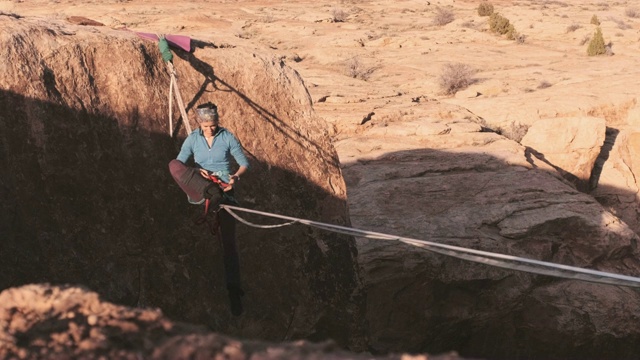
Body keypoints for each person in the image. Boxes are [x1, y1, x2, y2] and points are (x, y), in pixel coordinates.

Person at [168, 102, 249, 316]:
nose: (210, 129)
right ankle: (210, 193)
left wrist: (235, 177)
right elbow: (179, 163)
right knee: (172, 166)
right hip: (201, 187)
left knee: (229, 243)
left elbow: (243, 163)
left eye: (213, 125)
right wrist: (196, 170)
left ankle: (234, 291)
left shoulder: (227, 137)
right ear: (199, 124)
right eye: (206, 126)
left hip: (223, 187)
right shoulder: (193, 139)